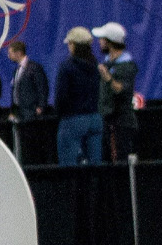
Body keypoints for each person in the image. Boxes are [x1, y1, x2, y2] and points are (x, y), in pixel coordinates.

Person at [54, 28, 103, 165]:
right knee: (95, 165)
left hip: (73, 119)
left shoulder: (67, 67)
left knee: (68, 163)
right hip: (95, 118)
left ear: (73, 45)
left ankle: (72, 187)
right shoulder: (96, 66)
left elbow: (61, 96)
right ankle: (94, 187)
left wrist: (60, 113)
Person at [93, 22, 139, 162]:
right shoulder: (106, 63)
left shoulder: (127, 65)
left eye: (102, 39)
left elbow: (120, 89)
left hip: (121, 124)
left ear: (110, 42)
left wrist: (107, 78)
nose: (99, 42)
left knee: (120, 162)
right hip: (107, 122)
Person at [7, 41, 49, 120]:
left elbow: (42, 87)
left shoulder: (34, 68)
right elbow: (15, 91)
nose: (9, 56)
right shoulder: (17, 70)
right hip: (19, 111)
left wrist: (41, 107)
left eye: (10, 53)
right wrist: (13, 111)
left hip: (31, 111)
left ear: (18, 53)